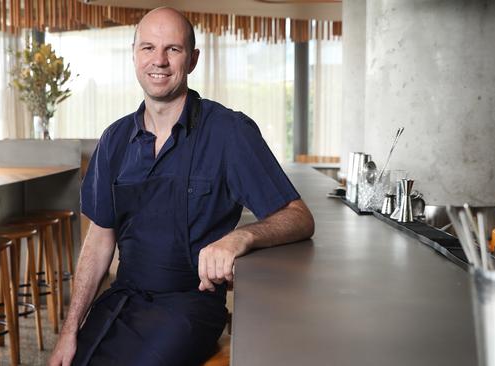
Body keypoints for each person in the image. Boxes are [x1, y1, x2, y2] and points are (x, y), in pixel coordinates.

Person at [49, 7, 314, 366]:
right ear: (134, 55)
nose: (158, 60)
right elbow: (99, 239)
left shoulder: (229, 132)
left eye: (172, 49)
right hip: (123, 297)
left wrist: (240, 237)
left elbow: (298, 217)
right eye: (147, 48)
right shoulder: (114, 140)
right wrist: (69, 331)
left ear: (192, 59)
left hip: (189, 308)